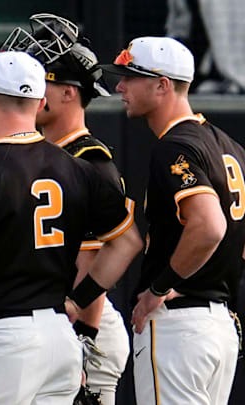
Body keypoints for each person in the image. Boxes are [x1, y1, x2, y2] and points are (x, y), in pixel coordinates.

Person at [0, 50, 143, 405]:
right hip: (59, 338)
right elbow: (127, 242)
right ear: (40, 102)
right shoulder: (79, 168)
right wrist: (78, 301)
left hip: (0, 338)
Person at [103, 36, 242, 405]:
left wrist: (160, 288)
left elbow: (210, 226)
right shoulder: (229, 146)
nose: (120, 86)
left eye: (130, 77)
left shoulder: (175, 145)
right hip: (218, 327)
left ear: (162, 84)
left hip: (179, 323)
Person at [3, 14, 132, 405]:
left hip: (81, 324)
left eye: (44, 81)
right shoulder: (47, 154)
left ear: (69, 92)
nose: (32, 91)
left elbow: (92, 259)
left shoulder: (89, 161)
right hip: (52, 322)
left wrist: (83, 339)